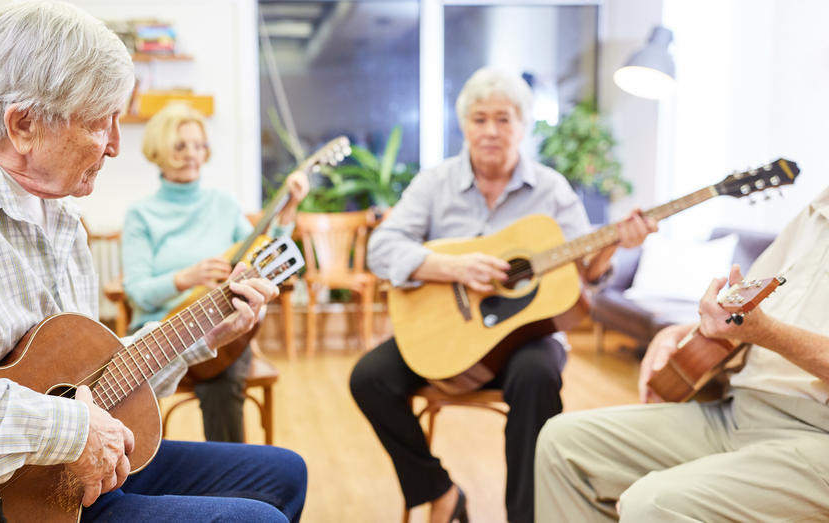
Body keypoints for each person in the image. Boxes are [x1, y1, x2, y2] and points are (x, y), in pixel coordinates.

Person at [0, 2, 306, 522]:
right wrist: (66, 429)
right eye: (102, 124)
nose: (118, 146)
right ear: (24, 125)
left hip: (68, 477)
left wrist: (202, 339)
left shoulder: (54, 201)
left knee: (284, 474)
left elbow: (83, 377)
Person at [349, 67, 656, 523]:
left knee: (537, 376)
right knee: (368, 379)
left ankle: (526, 517)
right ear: (464, 124)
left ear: (523, 125)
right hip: (449, 338)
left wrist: (613, 243)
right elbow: (381, 248)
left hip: (527, 339)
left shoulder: (551, 189)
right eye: (479, 119)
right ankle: (441, 491)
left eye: (504, 119)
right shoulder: (435, 184)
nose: (490, 131)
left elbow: (583, 276)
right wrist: (453, 266)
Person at [534, 186, 829, 522]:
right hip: (740, 410)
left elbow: (764, 327)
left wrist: (768, 333)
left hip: (816, 435)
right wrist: (682, 331)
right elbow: (751, 310)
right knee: (562, 443)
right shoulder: (815, 212)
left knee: (652, 505)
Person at [122, 102, 308, 443]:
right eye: (180, 146)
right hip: (159, 334)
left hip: (217, 329)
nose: (192, 154)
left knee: (222, 377)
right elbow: (137, 291)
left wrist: (287, 214)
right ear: (158, 151)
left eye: (199, 145)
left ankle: (232, 487)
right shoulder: (141, 215)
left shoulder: (223, 203)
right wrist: (184, 278)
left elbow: (265, 260)